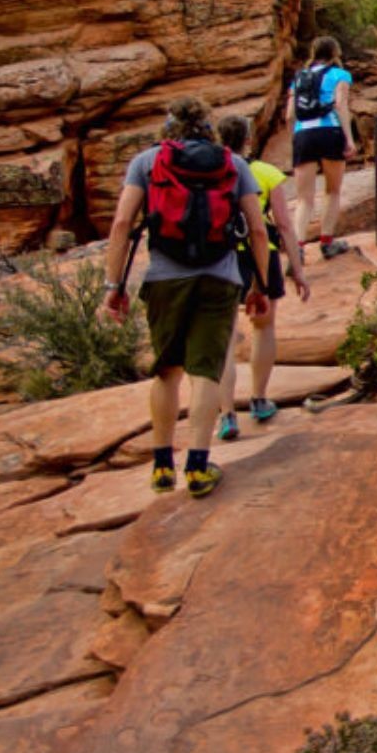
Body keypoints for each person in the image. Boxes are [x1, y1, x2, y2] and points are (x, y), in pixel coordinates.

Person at [101, 98, 272, 499]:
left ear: (168, 127)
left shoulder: (147, 162)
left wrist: (114, 286)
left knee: (167, 370)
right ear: (208, 127)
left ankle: (162, 466)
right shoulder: (233, 164)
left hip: (165, 277)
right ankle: (197, 467)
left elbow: (123, 222)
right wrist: (259, 286)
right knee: (205, 371)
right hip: (219, 277)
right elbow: (257, 230)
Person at [215, 114, 311, 442]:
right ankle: (258, 399)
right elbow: (283, 224)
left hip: (221, 257)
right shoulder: (266, 173)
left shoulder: (210, 174)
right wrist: (297, 269)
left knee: (224, 337)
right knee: (263, 326)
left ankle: (226, 414)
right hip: (261, 254)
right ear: (248, 140)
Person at [288, 34, 355, 259]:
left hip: (303, 134)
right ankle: (327, 243)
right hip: (330, 132)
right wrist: (349, 138)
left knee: (303, 198)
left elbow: (290, 115)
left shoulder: (298, 77)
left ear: (313, 53)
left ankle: (297, 247)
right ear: (335, 53)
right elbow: (340, 105)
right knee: (332, 190)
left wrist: (296, 139)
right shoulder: (340, 75)